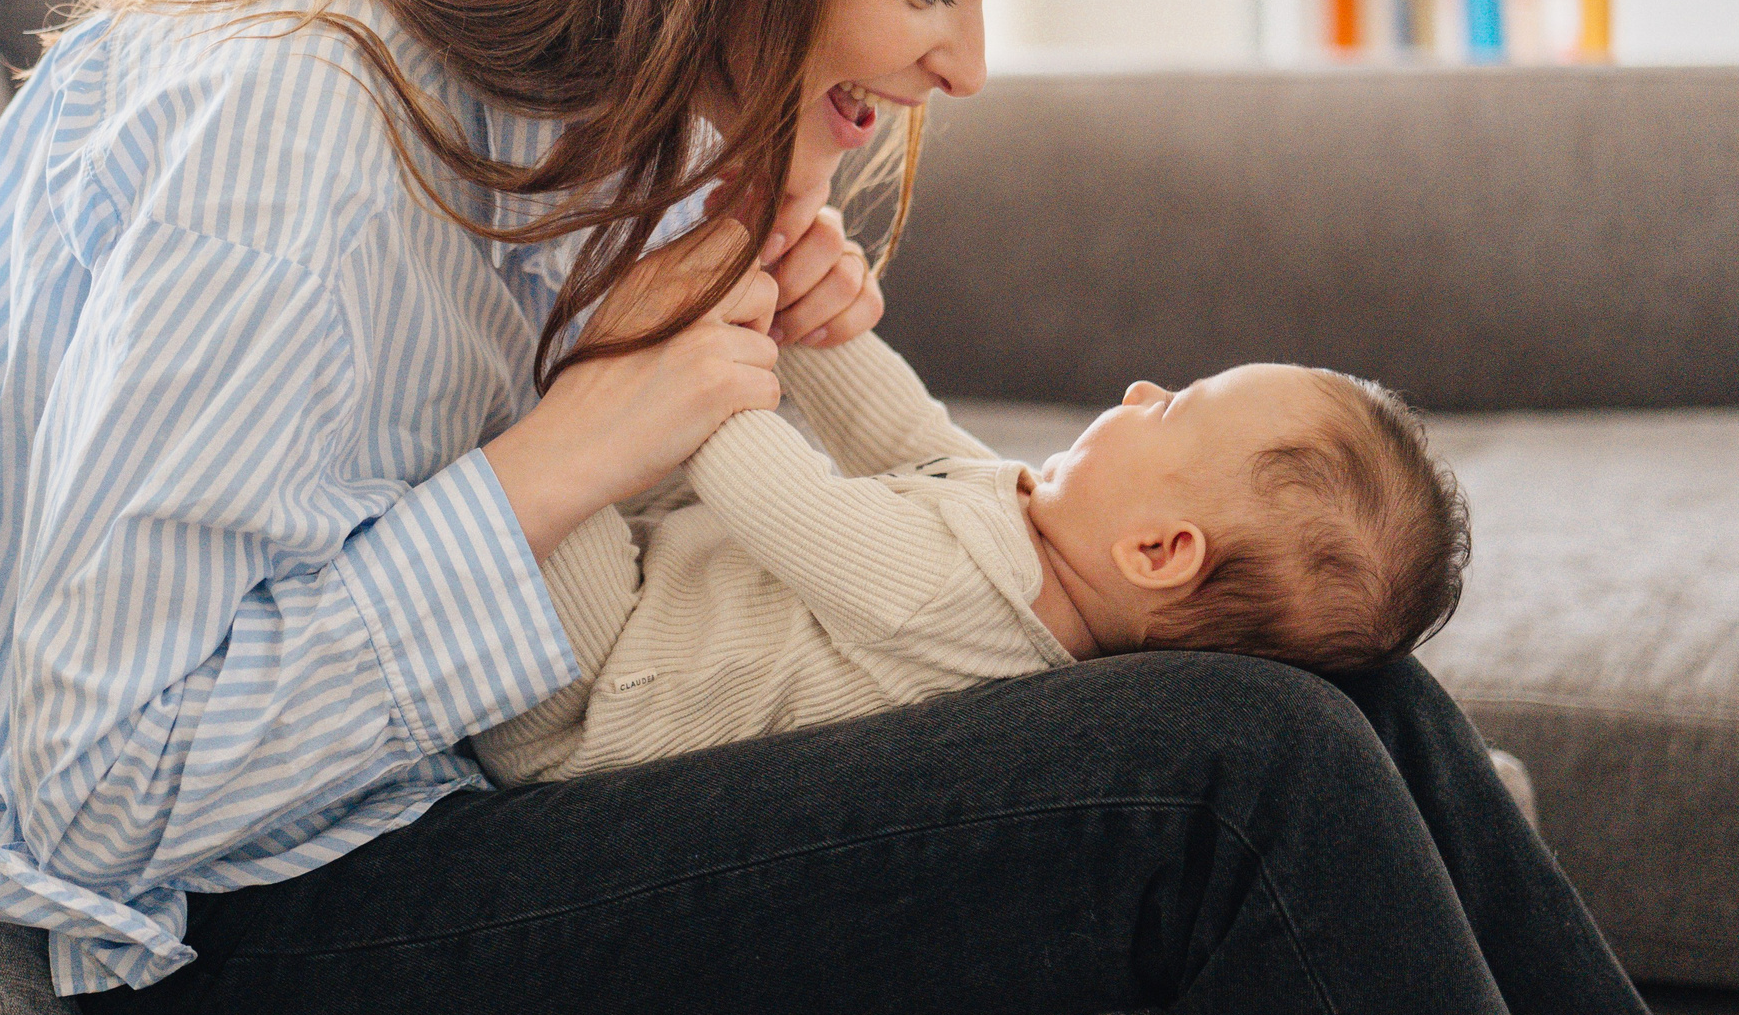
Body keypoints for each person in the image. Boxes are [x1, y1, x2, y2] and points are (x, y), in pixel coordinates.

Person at [0, 0, 1739, 1015]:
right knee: (1235, 775)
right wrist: (565, 455)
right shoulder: (301, 141)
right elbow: (105, 795)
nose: (970, 66)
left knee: (1351, 693)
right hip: (250, 932)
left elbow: (778, 523)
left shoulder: (612, 122)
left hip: (455, 781)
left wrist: (736, 335)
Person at [470, 284, 1470, 784]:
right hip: (655, 596)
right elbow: (898, 432)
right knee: (593, 431)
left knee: (540, 438)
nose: (1139, 388)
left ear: (1158, 552)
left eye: (1171, 407)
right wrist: (814, 312)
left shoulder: (954, 596)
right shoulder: (1030, 560)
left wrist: (676, 328)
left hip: (584, 696)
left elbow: (768, 490)